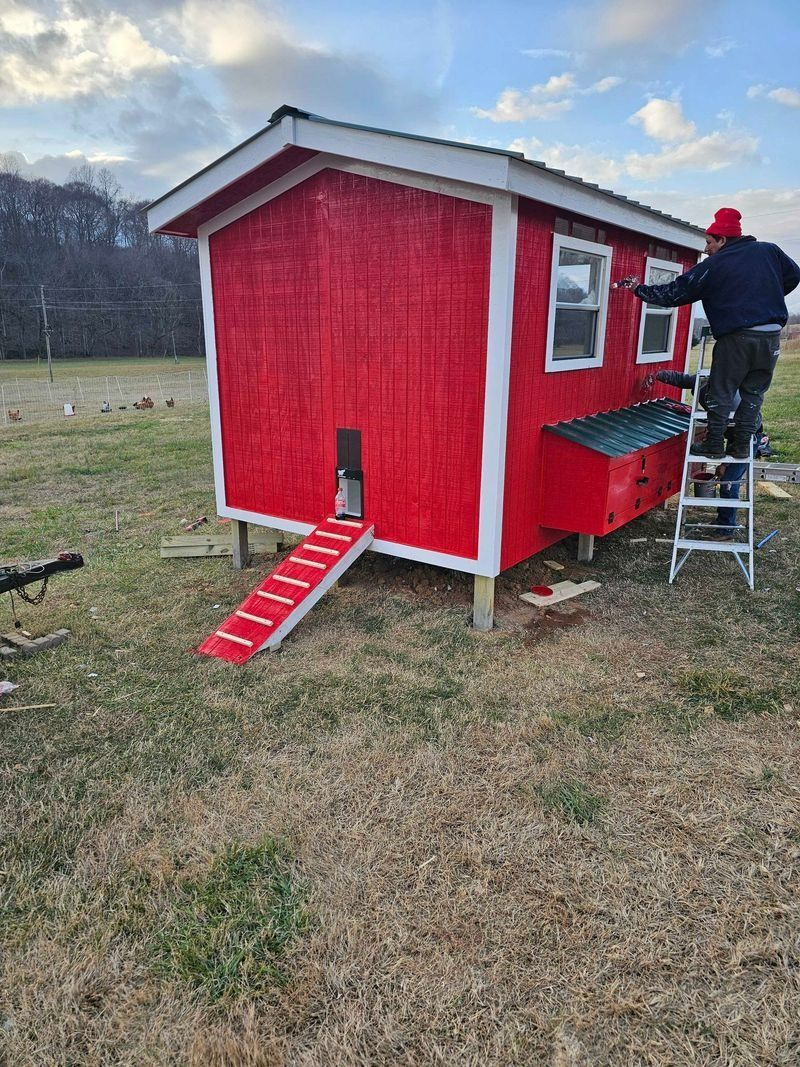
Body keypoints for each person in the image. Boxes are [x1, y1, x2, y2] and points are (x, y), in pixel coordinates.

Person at [617, 207, 800, 460]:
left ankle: (714, 445)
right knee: (753, 394)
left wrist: (639, 289)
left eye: (709, 242)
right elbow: (794, 276)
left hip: (736, 339)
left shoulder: (714, 266)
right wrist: (765, 297)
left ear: (723, 239)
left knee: (720, 391)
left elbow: (674, 293)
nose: (706, 248)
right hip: (770, 339)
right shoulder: (769, 251)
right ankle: (740, 446)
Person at [655, 368, 761, 539]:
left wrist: (725, 464)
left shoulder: (728, 398)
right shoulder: (711, 383)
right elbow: (683, 380)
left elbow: (736, 431)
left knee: (728, 482)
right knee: (726, 478)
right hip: (735, 436)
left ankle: (726, 529)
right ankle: (723, 519)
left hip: (747, 439)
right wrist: (659, 374)